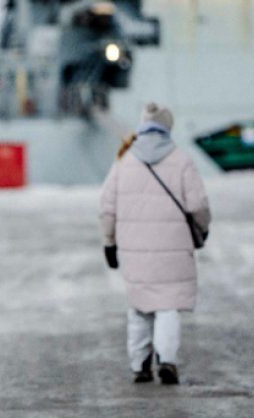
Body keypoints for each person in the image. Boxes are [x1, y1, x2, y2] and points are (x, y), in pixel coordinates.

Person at [100, 103, 211, 384]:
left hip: (133, 249)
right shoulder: (181, 160)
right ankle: (167, 360)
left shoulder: (124, 161)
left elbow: (107, 207)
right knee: (168, 306)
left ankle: (139, 364)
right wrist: (203, 228)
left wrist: (109, 243)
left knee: (139, 305)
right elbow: (198, 204)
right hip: (174, 250)